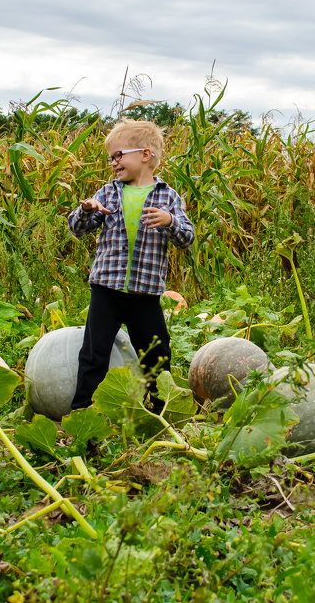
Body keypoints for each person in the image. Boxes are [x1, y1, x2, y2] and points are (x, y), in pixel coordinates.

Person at [67, 120, 195, 413]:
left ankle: (162, 410)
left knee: (157, 354)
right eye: (111, 158)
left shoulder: (168, 196)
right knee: (93, 353)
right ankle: (82, 410)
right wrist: (87, 210)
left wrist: (170, 221)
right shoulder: (107, 193)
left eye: (118, 155)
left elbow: (187, 238)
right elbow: (77, 228)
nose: (113, 163)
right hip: (106, 289)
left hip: (145, 292)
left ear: (145, 155)